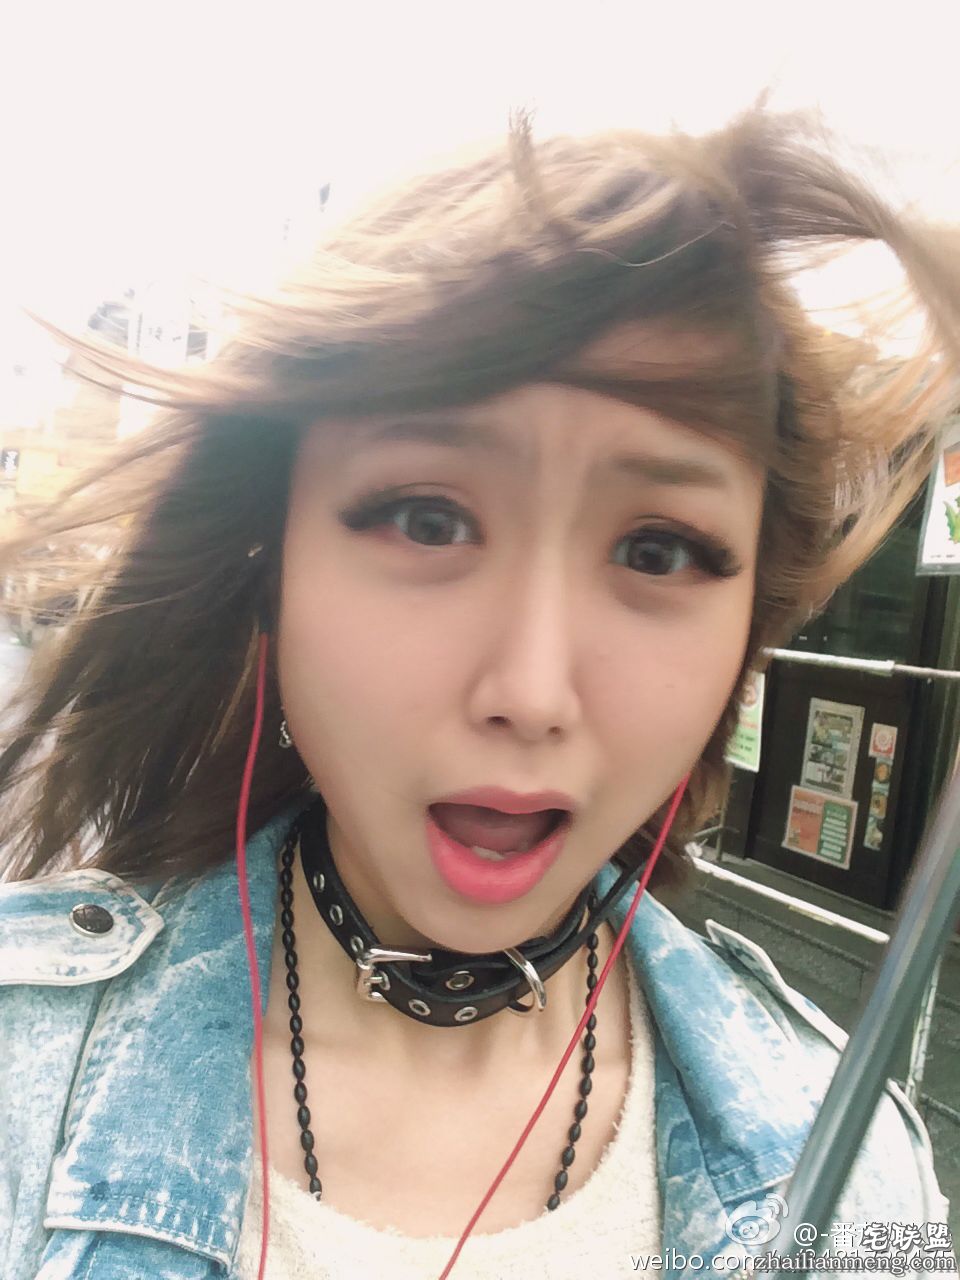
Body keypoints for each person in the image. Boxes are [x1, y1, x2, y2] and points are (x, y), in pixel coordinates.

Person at [0, 97, 957, 1280]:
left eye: (657, 549)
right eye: (428, 519)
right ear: (270, 567)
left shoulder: (865, 1185)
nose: (532, 691)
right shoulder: (24, 1084)